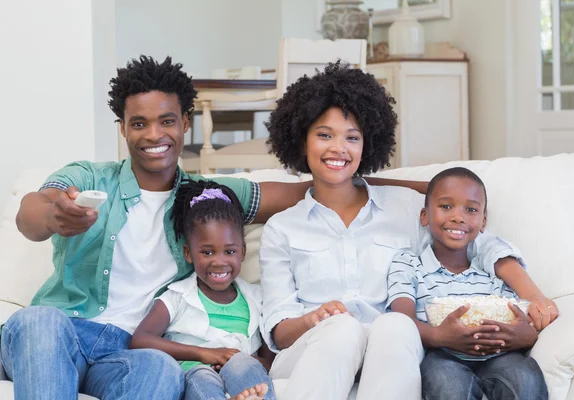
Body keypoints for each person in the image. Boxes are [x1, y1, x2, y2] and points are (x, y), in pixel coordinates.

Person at [0, 55, 427, 400]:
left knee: (160, 370)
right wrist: (55, 215)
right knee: (40, 321)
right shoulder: (89, 177)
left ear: (185, 123)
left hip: (130, 349)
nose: (154, 135)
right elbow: (31, 215)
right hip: (64, 332)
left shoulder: (212, 199)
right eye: (138, 123)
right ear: (122, 129)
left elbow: (323, 184)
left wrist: (441, 190)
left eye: (167, 121)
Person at [259, 61, 552, 400]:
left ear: (366, 145)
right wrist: (314, 318)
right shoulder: (282, 228)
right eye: (324, 135)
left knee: (396, 323)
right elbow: (279, 332)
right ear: (300, 140)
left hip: (390, 348)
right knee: (342, 329)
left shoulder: (405, 207)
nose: (338, 148)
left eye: (352, 138)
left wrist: (536, 298)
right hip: (313, 350)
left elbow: (475, 243)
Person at [387, 167, 549, 400]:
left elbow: (519, 318)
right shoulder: (408, 264)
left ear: (483, 222)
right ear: (425, 216)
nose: (458, 217)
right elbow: (402, 320)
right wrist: (439, 336)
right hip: (441, 354)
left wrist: (529, 336)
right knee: (447, 386)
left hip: (499, 355)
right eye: (445, 206)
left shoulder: (493, 270)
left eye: (470, 209)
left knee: (524, 378)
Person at [130, 179, 275, 400]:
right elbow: (140, 339)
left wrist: (244, 360)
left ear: (243, 252)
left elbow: (269, 358)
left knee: (244, 365)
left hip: (239, 369)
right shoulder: (177, 297)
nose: (219, 262)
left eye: (229, 252)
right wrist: (205, 354)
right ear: (188, 253)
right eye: (207, 252)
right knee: (202, 377)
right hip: (194, 369)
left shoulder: (256, 299)